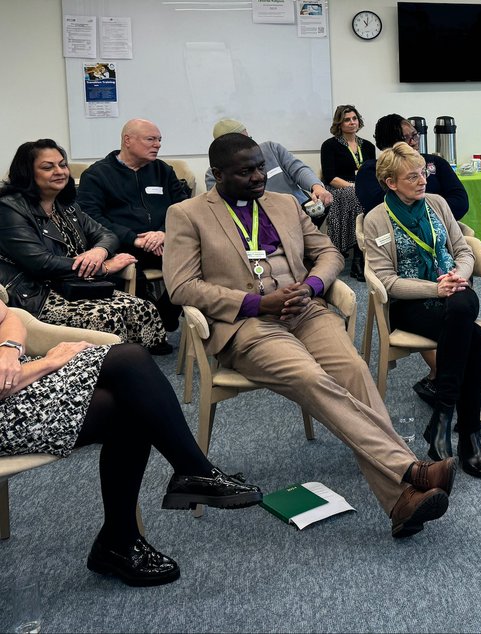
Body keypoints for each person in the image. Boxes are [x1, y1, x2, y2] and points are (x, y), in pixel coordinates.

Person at [164, 133, 455, 538]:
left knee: (353, 368)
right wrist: (255, 304)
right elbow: (182, 286)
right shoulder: (187, 213)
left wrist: (314, 286)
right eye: (245, 171)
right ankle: (407, 471)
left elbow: (330, 252)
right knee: (310, 377)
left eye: (260, 167)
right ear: (218, 175)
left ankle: (403, 496)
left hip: (305, 310)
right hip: (249, 325)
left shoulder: (284, 204)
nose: (257, 177)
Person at [0, 300, 262, 587]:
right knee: (130, 399)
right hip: (8, 402)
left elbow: (7, 316)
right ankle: (125, 533)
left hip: (18, 376)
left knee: (131, 369)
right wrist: (49, 363)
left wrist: (9, 348)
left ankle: (173, 489)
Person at [362, 142, 481, 478]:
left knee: (464, 303)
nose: (422, 181)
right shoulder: (377, 219)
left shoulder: (437, 204)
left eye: (423, 173)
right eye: (412, 177)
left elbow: (464, 251)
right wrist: (434, 288)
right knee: (474, 337)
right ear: (391, 183)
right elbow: (387, 282)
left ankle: (443, 419)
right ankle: (468, 436)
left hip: (454, 294)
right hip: (411, 305)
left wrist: (457, 277)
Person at [0, 139, 171, 354]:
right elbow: (40, 263)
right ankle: (112, 371)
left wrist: (100, 251)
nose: (59, 171)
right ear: (27, 173)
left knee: (142, 308)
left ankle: (132, 368)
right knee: (108, 317)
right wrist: (103, 268)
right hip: (37, 294)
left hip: (77, 284)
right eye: (47, 167)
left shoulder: (65, 204)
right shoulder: (9, 209)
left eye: (62, 165)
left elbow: (106, 235)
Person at [76, 118, 187, 330]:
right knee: (132, 273)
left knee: (197, 263)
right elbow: (89, 216)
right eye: (150, 139)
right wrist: (133, 238)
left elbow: (183, 208)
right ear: (128, 140)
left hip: (164, 242)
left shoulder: (163, 170)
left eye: (159, 140)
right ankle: (147, 327)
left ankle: (163, 318)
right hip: (122, 244)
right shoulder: (97, 174)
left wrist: (164, 233)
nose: (157, 145)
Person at [356, 114, 469, 220]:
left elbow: (460, 203)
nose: (414, 142)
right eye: (405, 138)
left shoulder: (436, 162)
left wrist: (426, 218)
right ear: (389, 143)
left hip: (439, 230)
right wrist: (436, 207)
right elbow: (380, 208)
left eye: (415, 135)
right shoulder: (371, 170)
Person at [203, 118, 332, 210]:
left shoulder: (271, 149)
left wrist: (316, 186)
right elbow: (221, 206)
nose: (258, 176)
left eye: (249, 139)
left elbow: (298, 169)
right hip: (259, 219)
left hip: (299, 208)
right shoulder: (215, 173)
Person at [320, 104, 376, 190]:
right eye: (347, 120)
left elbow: (372, 173)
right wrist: (354, 187)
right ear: (339, 124)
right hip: (340, 188)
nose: (352, 122)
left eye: (354, 118)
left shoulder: (369, 146)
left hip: (364, 187)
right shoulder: (329, 145)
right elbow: (330, 178)